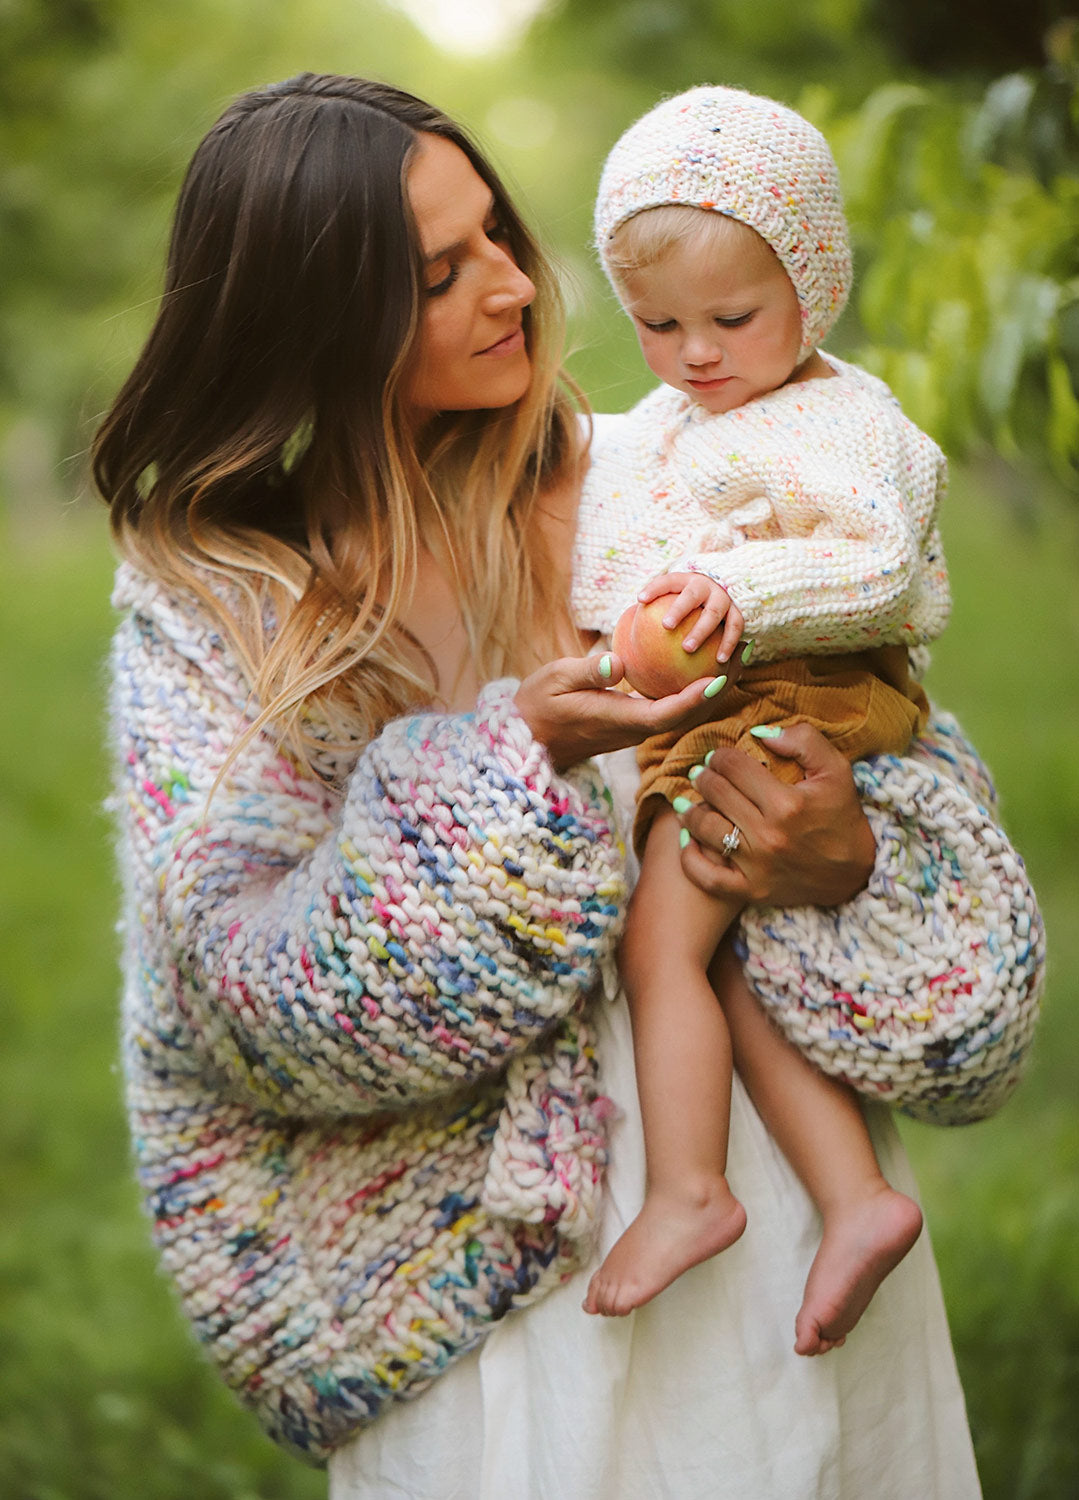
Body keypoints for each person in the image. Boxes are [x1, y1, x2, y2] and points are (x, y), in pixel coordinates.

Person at [93, 73, 1040, 1498]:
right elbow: (240, 998)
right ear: (312, 320)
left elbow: (926, 828)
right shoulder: (226, 607)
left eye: (496, 232)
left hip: (780, 1213)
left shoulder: (666, 478)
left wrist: (844, 854)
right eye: (437, 274)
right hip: (486, 1279)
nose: (513, 286)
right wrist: (510, 760)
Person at [573, 85, 944, 1342]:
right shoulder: (673, 425)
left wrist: (737, 589)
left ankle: (689, 1191)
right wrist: (619, 638)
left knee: (658, 949)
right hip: (732, 700)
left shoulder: (842, 415)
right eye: (657, 324)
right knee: (717, 956)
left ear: (811, 284)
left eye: (730, 318)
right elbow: (620, 551)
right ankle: (853, 1197)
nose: (694, 353)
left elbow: (876, 565)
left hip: (800, 692)